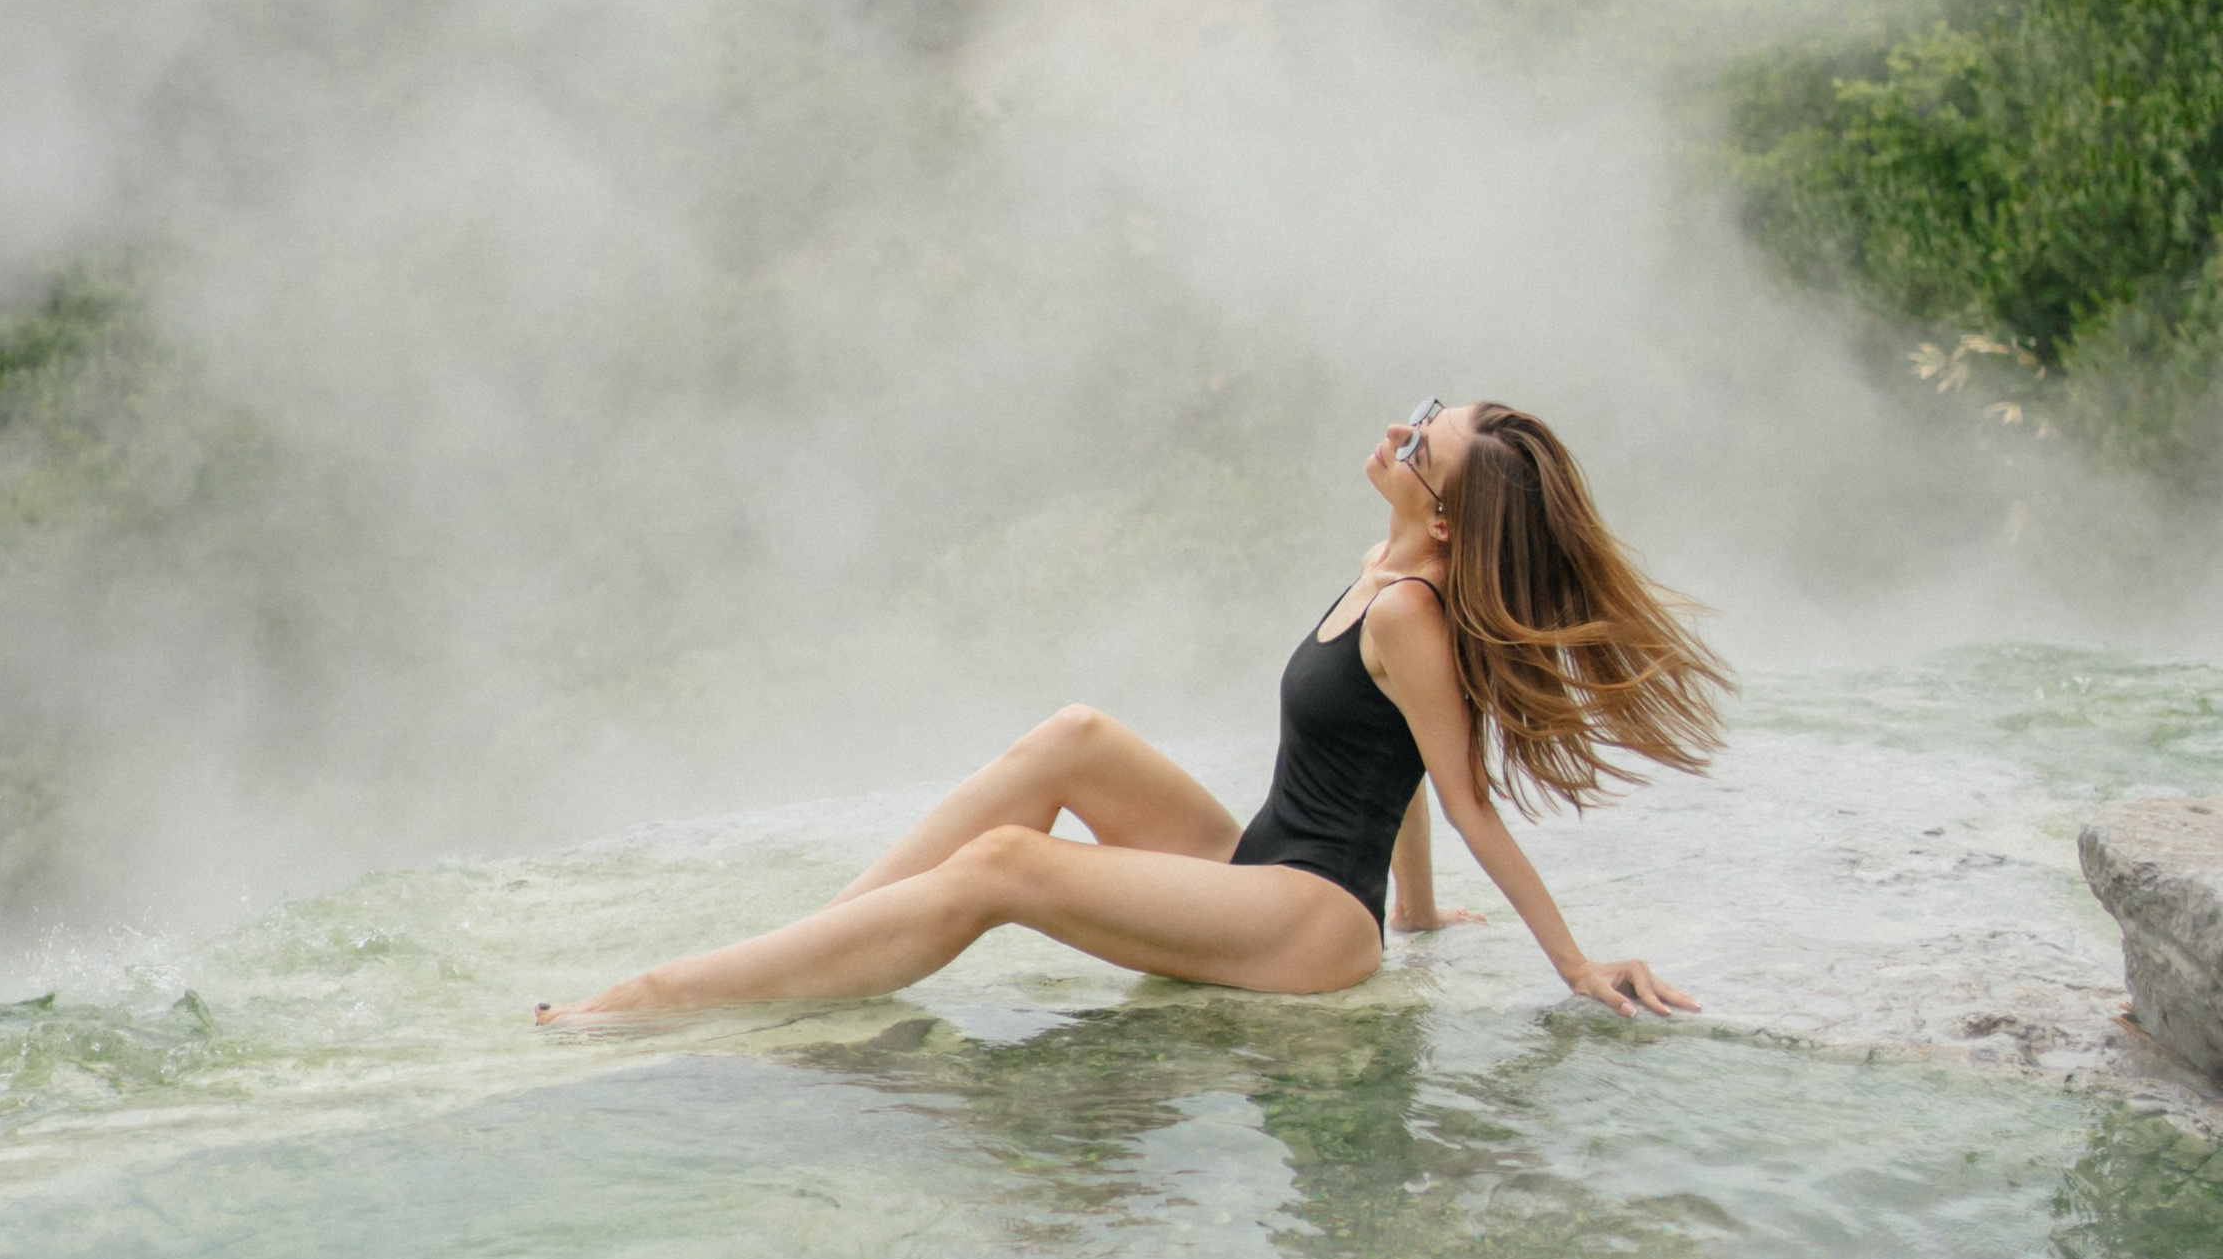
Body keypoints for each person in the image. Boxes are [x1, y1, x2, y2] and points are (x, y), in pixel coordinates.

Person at [536, 399, 1730, 1025]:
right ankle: (808, 946)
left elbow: (1458, 793)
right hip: (1274, 868)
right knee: (1073, 735)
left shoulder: (1411, 610)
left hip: (1310, 921)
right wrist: (1416, 915)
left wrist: (1568, 960)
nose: (1394, 435)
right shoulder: (1384, 567)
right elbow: (1398, 757)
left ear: (1451, 517)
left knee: (1008, 863)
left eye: (1420, 444)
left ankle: (666, 995)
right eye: (1422, 414)